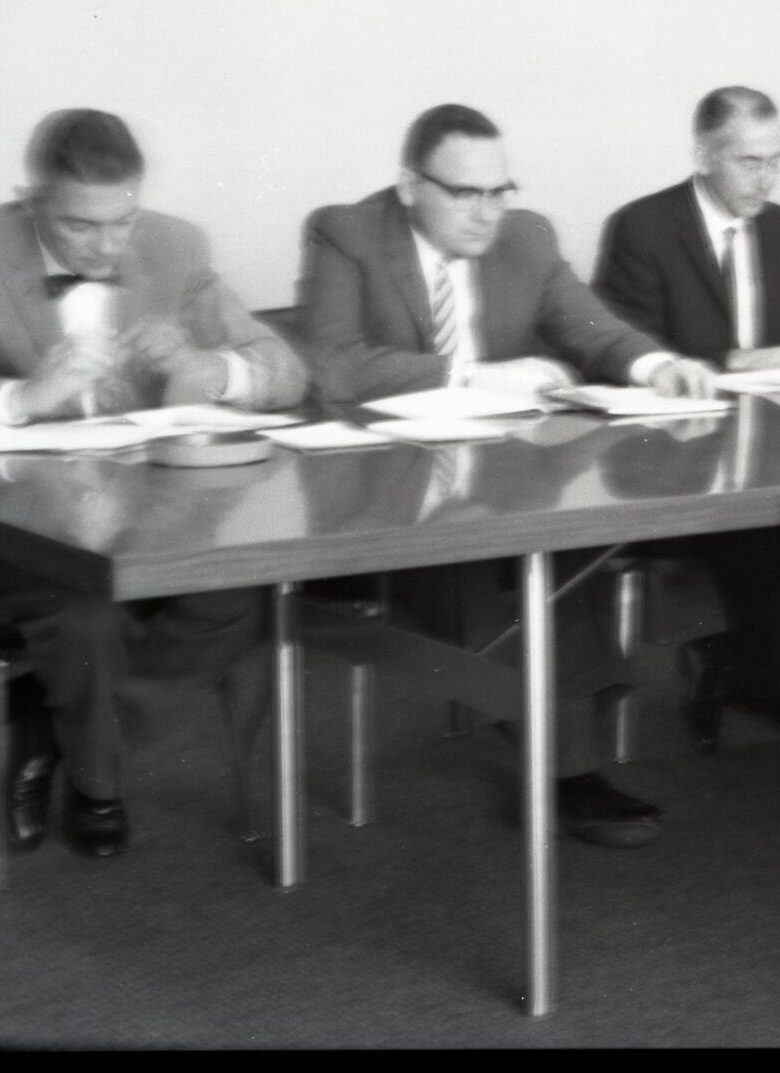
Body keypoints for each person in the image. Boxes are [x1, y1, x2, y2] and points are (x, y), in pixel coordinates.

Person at [0, 108, 308, 860]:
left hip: (151, 518)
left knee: (238, 598)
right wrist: (19, 398)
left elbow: (285, 371)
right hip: (11, 525)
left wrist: (213, 369)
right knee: (85, 616)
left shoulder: (176, 246)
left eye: (122, 222)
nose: (106, 246)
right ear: (31, 200)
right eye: (79, 226)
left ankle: (59, 721)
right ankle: (98, 785)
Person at [297, 103, 717, 848]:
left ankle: (564, 749)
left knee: (571, 545)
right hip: (385, 496)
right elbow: (333, 365)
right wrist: (470, 375)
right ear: (409, 185)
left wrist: (658, 365)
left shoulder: (527, 237)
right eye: (465, 192)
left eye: (500, 190)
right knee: (497, 557)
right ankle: (567, 767)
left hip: (501, 479)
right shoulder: (347, 232)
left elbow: (591, 326)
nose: (487, 212)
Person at [592, 85, 780, 753]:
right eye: (748, 162)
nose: (765, 179)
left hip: (774, 441)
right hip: (677, 449)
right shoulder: (643, 227)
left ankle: (737, 657)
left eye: (774, 160)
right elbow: (627, 344)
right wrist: (736, 359)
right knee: (755, 527)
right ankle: (758, 670)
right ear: (704, 156)